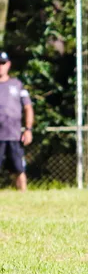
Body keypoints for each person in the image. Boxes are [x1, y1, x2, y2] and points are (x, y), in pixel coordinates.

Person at [0, 52, 33, 192]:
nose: (0, 66)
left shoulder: (17, 85)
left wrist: (28, 129)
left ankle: (23, 196)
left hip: (14, 135)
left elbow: (28, 107)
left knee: (19, 168)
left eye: (3, 63)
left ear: (8, 64)